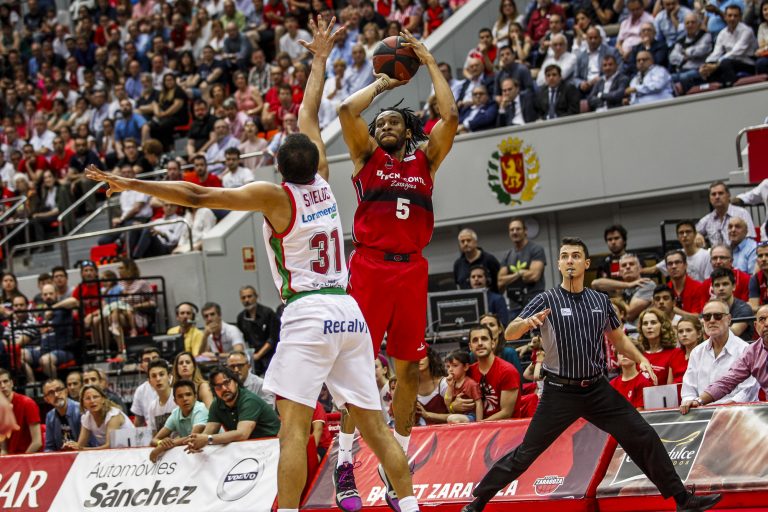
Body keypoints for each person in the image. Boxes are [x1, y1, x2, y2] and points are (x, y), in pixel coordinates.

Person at [86, 17, 423, 512]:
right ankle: (411, 506)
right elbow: (310, 110)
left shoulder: (274, 196)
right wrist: (319, 59)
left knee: (293, 429)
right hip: (349, 312)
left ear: (279, 167)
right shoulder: (326, 182)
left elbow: (197, 194)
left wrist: (134, 184)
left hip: (308, 313)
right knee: (374, 423)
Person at [461, 237, 722, 512]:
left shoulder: (600, 300)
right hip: (559, 392)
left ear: (586, 263)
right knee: (527, 453)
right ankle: (477, 502)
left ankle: (682, 500)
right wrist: (526, 324)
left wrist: (641, 358)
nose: (570, 260)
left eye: (576, 256)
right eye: (565, 256)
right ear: (559, 263)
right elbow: (510, 332)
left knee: (642, 435)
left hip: (596, 389)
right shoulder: (545, 299)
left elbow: (619, 339)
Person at [336, 13, 458, 508]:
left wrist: (429, 64)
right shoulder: (367, 159)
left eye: (391, 120)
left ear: (408, 130)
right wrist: (383, 84)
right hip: (367, 267)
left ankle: (397, 466)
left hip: (411, 268)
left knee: (407, 373)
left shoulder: (425, 159)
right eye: (379, 121)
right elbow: (347, 111)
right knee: (357, 369)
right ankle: (345, 459)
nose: (382, 124)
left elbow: (450, 119)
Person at [683, 304, 768, 414]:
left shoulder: (743, 348)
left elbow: (748, 391)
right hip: (712, 415)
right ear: (756, 326)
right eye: (762, 319)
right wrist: (698, 401)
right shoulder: (752, 352)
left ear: (729, 319)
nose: (766, 324)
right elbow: (726, 382)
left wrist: (728, 408)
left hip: (740, 413)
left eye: (718, 316)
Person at [185, 366, 280, 450]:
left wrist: (208, 439)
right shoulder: (217, 404)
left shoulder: (249, 400)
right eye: (218, 386)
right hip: (249, 448)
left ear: (236, 382)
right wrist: (196, 443)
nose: (224, 388)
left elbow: (242, 434)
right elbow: (207, 433)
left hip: (272, 446)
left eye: (227, 383)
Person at [458, 325, 521, 421]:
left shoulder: (507, 371)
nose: (479, 343)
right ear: (470, 347)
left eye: (484, 339)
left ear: (493, 343)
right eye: (475, 340)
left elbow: (506, 413)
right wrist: (452, 406)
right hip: (476, 429)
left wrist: (479, 425)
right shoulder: (468, 372)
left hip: (507, 430)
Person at [149, 379, 207, 462]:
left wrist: (162, 447)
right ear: (175, 401)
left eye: (188, 394)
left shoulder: (200, 409)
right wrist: (161, 443)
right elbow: (154, 440)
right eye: (180, 396)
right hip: (195, 456)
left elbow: (192, 438)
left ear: (195, 397)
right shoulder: (175, 413)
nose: (185, 399)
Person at [498, 218, 547, 318]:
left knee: (536, 333)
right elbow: (500, 282)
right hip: (514, 307)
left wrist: (509, 278)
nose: (514, 232)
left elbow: (534, 276)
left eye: (518, 229)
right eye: (512, 230)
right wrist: (520, 273)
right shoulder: (507, 255)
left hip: (534, 304)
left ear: (525, 231)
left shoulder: (536, 249)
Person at [64, 385, 135, 450]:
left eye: (95, 397)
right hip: (115, 453)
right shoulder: (86, 417)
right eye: (88, 398)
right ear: (83, 403)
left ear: (103, 399)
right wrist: (71, 446)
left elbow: (109, 446)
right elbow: (80, 445)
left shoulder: (113, 415)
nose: (92, 401)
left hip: (133, 450)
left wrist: (82, 449)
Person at [591, 253, 655, 324]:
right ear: (620, 272)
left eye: (631, 264)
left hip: (639, 330)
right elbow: (595, 283)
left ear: (640, 268)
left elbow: (629, 315)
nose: (627, 267)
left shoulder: (647, 284)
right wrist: (628, 285)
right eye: (624, 265)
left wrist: (619, 300)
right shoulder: (622, 287)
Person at [697, 180, 755, 247]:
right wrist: (697, 235)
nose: (717, 197)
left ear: (728, 195)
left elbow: (750, 240)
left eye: (720, 193)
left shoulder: (742, 214)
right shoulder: (707, 219)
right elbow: (692, 232)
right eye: (713, 194)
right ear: (710, 198)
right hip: (716, 256)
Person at [236, 285, 278, 375]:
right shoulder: (241, 317)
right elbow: (243, 340)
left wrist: (259, 355)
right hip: (253, 359)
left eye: (249, 296)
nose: (247, 300)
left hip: (271, 356)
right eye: (243, 298)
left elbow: (273, 338)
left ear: (256, 296)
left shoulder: (268, 313)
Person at [0, 368, 42, 454]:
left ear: (11, 383)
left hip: (30, 459)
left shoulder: (27, 403)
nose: (3, 386)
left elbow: (37, 442)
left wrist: (21, 461)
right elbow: (4, 448)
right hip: (12, 459)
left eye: (5, 381)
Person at [637, 307, 682, 385]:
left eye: (653, 322)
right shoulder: (637, 354)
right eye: (645, 323)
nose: (649, 326)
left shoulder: (675, 353)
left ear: (663, 326)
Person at [711, 267, 754, 338]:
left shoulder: (743, 308)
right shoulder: (709, 307)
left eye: (725, 284)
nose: (721, 288)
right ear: (712, 288)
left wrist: (708, 325)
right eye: (717, 285)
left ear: (734, 286)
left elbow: (734, 332)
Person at [453, 228, 501, 292]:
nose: (465, 243)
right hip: (467, 300)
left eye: (468, 240)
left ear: (475, 242)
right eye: (462, 241)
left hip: (489, 300)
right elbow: (458, 286)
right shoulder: (458, 264)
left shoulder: (489, 259)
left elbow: (501, 282)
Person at [43, 378, 84, 451]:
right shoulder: (50, 416)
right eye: (51, 393)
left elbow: (90, 443)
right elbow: (49, 447)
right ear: (46, 399)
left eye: (59, 390)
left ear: (66, 391)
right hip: (62, 459)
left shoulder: (81, 411)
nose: (56, 395)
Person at [610, 344, 653, 409]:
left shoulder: (643, 382)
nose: (624, 354)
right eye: (620, 352)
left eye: (628, 351)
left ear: (637, 358)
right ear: (617, 359)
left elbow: (641, 410)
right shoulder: (612, 384)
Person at [444, 350, 483, 423]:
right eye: (448, 366)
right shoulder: (452, 383)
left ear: (465, 367)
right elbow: (447, 402)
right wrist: (449, 387)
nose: (450, 370)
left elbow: (479, 403)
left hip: (471, 416)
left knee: (452, 418)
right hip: (457, 415)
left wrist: (479, 423)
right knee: (451, 418)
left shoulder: (471, 384)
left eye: (455, 365)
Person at [665, 249, 707, 315]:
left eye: (677, 262)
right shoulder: (664, 289)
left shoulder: (699, 287)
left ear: (685, 265)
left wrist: (672, 308)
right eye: (670, 264)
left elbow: (697, 317)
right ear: (666, 268)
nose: (674, 266)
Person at [145, 359, 177, 434]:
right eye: (154, 376)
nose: (158, 379)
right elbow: (153, 435)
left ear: (169, 377)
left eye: (161, 374)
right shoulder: (152, 407)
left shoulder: (179, 398)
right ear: (149, 381)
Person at [131, 347, 161, 427]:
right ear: (141, 366)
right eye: (147, 360)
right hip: (153, 435)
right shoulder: (140, 391)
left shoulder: (174, 383)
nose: (152, 361)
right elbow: (139, 422)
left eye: (155, 358)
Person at [749, 242, 768, 311]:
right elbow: (753, 307)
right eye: (760, 256)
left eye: (767, 255)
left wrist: (760, 308)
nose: (763, 259)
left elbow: (756, 308)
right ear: (757, 260)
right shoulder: (755, 279)